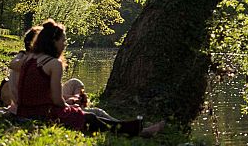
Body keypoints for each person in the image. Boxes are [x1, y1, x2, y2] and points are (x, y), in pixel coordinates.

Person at [14, 19, 164, 136]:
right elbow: (56, 99)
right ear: (54, 42)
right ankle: (139, 132)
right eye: (63, 40)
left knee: (91, 114)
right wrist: (68, 106)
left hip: (23, 113)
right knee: (89, 118)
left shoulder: (29, 58)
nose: (65, 44)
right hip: (41, 116)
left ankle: (135, 128)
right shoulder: (54, 64)